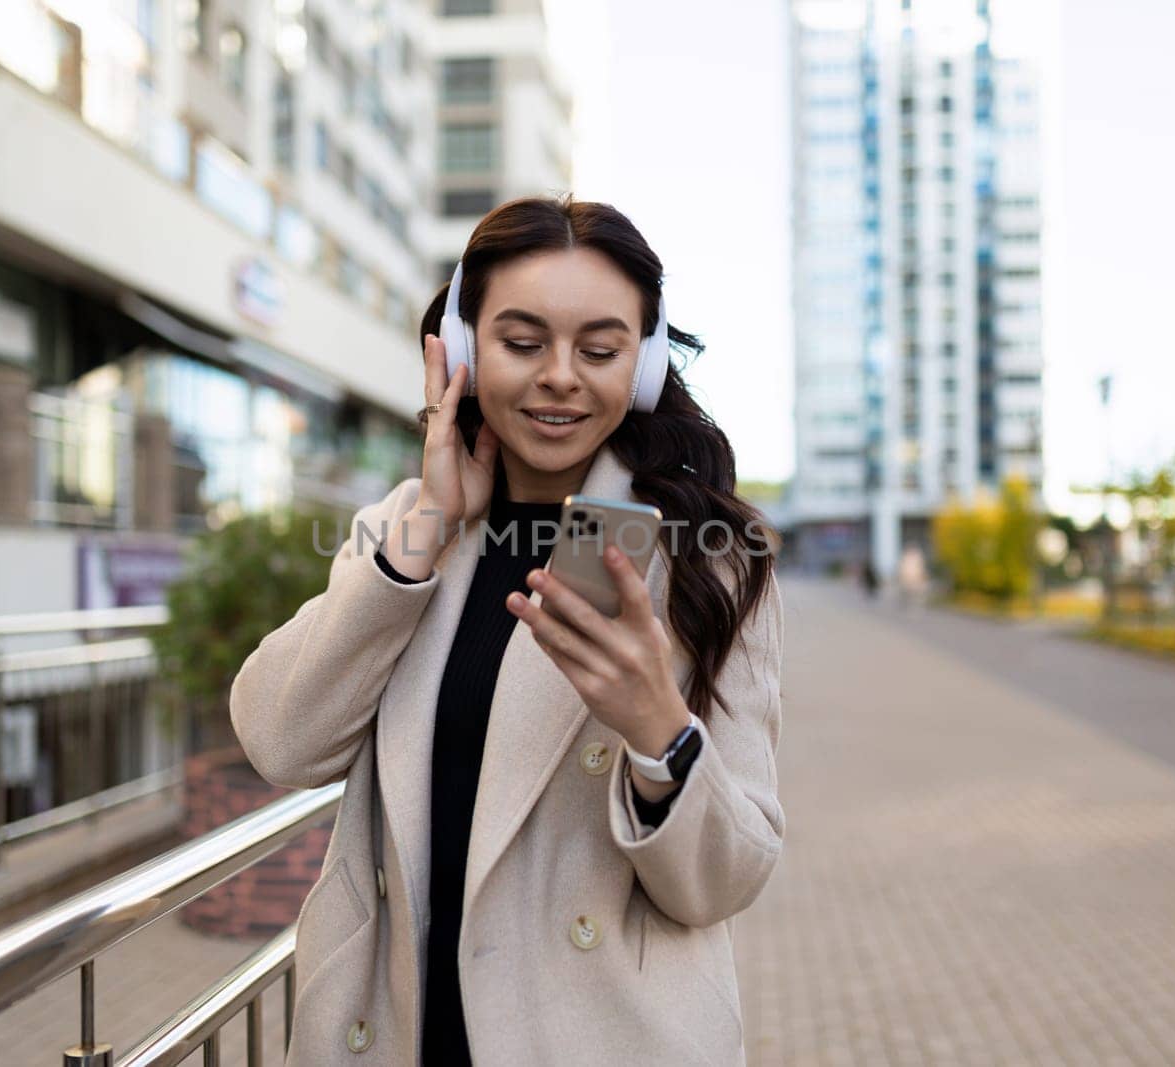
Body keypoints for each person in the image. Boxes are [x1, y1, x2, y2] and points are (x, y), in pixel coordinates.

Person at [230, 195, 785, 1064]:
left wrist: (657, 733)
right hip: (398, 1033)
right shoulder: (409, 528)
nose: (561, 375)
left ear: (640, 368)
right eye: (522, 342)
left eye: (599, 350)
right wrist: (426, 532)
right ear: (460, 350)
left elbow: (725, 879)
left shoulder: (703, 557)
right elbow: (279, 741)